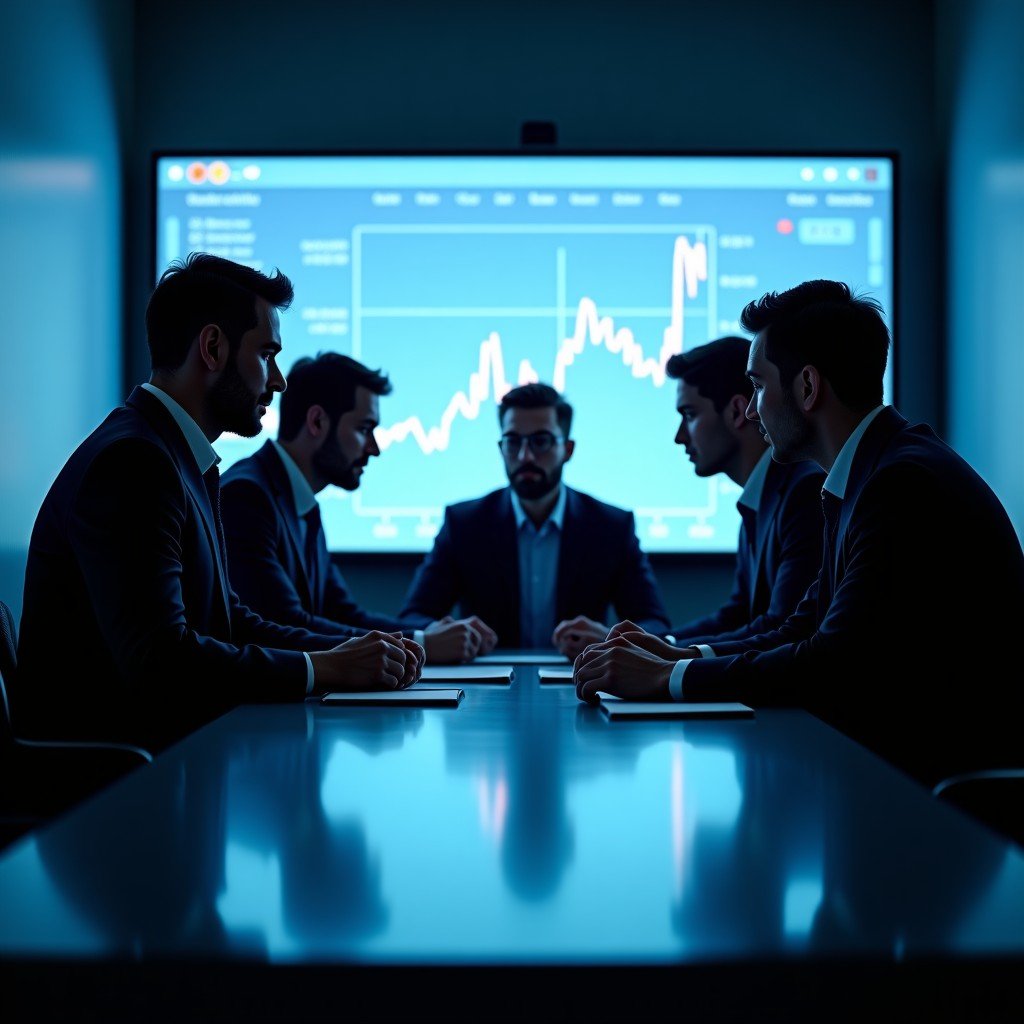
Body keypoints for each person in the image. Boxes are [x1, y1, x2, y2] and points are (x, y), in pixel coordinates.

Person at [575, 280, 1024, 786]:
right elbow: (802, 625)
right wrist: (680, 655)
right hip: (897, 770)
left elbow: (831, 663)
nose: (753, 408)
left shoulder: (898, 484)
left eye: (759, 386)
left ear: (808, 388)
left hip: (938, 796)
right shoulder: (866, 474)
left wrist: (668, 677)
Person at [16, 253, 422, 752]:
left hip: (161, 759)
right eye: (267, 355)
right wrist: (324, 668)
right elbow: (161, 660)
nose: (278, 380)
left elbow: (227, 618)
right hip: (114, 783)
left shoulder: (176, 457)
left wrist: (348, 654)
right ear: (212, 347)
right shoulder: (134, 461)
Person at [220, 352, 497, 664]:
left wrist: (429, 631)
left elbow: (342, 611)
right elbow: (284, 624)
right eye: (365, 429)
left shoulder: (299, 500)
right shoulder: (247, 497)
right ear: (317, 421)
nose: (374, 448)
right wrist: (421, 643)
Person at [400, 383, 670, 655]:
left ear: (568, 449)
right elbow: (414, 618)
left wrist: (612, 639)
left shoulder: (611, 526)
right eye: (513, 442)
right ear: (500, 447)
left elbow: (655, 622)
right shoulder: (464, 524)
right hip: (485, 688)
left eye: (540, 441)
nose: (524, 456)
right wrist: (444, 636)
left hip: (583, 681)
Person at [660, 336, 824, 645]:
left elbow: (783, 627)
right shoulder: (762, 496)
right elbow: (738, 614)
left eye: (690, 415)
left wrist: (667, 657)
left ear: (737, 411)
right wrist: (649, 643)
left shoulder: (804, 492)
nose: (679, 437)